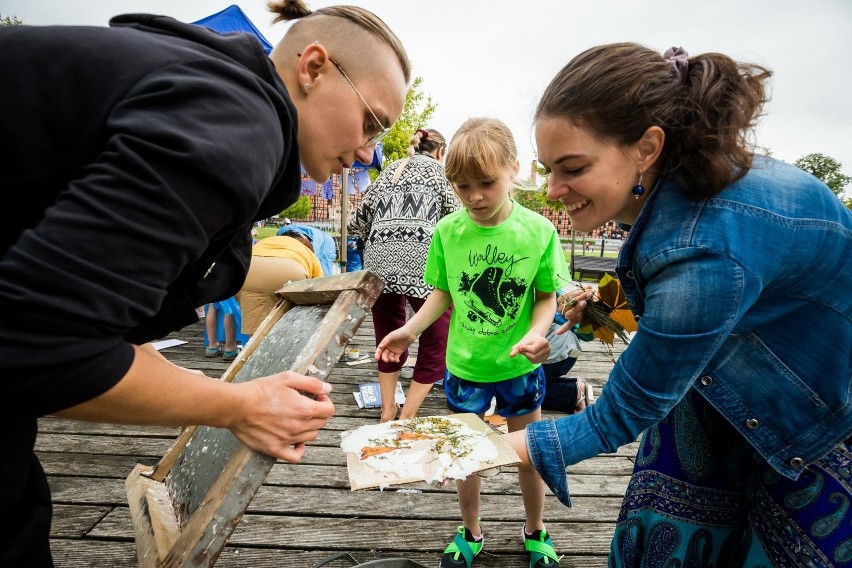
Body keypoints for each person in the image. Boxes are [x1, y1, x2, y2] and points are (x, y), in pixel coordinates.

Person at [0, 1, 410, 564]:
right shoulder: (238, 121)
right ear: (312, 68)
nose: (369, 151)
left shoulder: (195, 80)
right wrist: (237, 404)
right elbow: (41, 350)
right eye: (371, 122)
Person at [503, 43, 852, 566]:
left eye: (572, 167)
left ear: (647, 147)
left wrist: (491, 449)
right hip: (724, 375)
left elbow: (623, 412)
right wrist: (605, 302)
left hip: (806, 406)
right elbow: (705, 297)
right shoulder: (684, 188)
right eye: (547, 168)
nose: (552, 190)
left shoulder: (704, 246)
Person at [376, 118, 570, 568]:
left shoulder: (539, 231)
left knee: (529, 455)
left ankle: (535, 528)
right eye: (462, 186)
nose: (474, 196)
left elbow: (546, 297)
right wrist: (411, 329)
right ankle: (471, 530)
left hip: (520, 368)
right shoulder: (447, 231)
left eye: (486, 183)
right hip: (464, 368)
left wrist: (537, 332)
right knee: (466, 458)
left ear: (514, 170)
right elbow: (442, 292)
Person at [349, 128, 460, 422]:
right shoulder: (440, 173)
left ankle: (388, 410)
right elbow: (457, 220)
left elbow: (356, 221)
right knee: (435, 338)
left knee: (387, 335)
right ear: (440, 151)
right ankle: (407, 416)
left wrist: (383, 238)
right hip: (423, 262)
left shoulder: (388, 172)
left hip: (377, 263)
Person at [238, 232, 324, 334]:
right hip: (289, 269)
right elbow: (320, 285)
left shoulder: (268, 241)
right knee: (289, 331)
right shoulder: (306, 250)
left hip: (247, 271)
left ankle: (255, 348)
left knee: (256, 330)